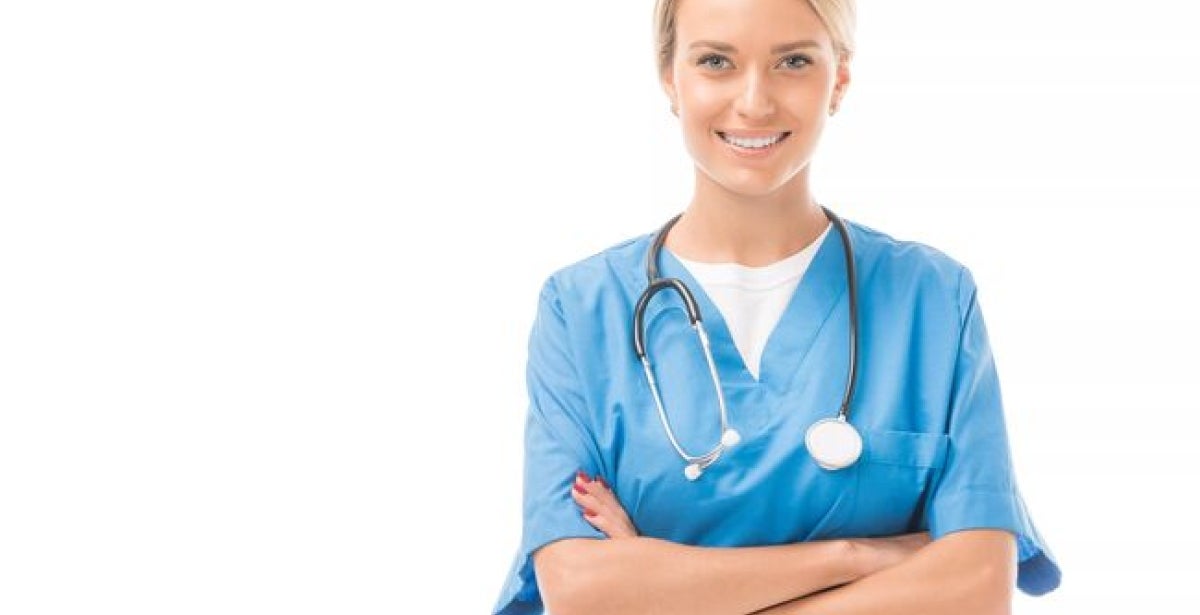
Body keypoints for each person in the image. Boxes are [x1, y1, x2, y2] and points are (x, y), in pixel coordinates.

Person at [492, 0, 1062, 613]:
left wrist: (662, 587)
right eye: (716, 61)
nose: (755, 102)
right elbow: (581, 589)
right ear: (670, 79)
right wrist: (859, 556)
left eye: (793, 61)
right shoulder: (579, 311)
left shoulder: (932, 299)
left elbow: (976, 587)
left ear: (838, 78)